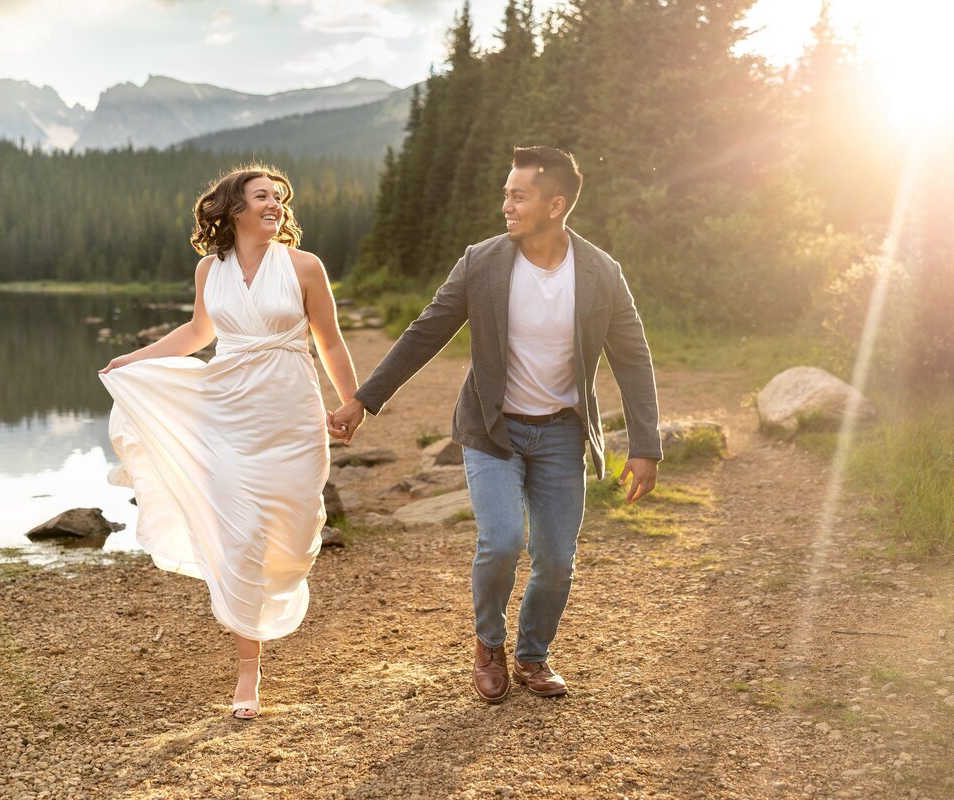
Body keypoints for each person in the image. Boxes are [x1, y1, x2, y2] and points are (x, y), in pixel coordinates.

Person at [328, 146, 661, 703]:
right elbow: (425, 332)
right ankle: (489, 643)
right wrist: (364, 399)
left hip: (561, 432)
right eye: (505, 193)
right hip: (492, 429)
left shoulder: (602, 273)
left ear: (555, 204)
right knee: (502, 541)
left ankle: (532, 654)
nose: (504, 204)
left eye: (517, 195)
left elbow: (632, 357)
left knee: (556, 557)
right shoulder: (481, 261)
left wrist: (645, 445)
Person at [99, 164, 358, 719]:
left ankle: (270, 611)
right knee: (241, 538)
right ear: (234, 209)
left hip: (292, 416)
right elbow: (198, 334)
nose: (275, 205)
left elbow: (330, 342)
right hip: (228, 414)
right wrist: (134, 360)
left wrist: (352, 401)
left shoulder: (305, 267)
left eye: (279, 197)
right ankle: (248, 673)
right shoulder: (208, 270)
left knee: (292, 536)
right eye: (262, 196)